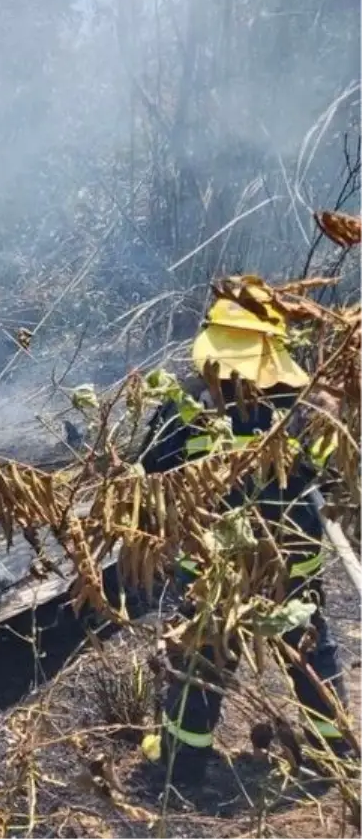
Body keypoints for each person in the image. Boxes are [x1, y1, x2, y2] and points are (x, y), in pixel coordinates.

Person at [139, 292, 351, 784]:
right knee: (308, 654)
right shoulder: (306, 404)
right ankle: (335, 750)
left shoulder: (186, 406)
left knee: (202, 658)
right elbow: (334, 476)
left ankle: (182, 761)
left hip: (215, 569)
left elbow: (150, 478)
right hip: (291, 567)